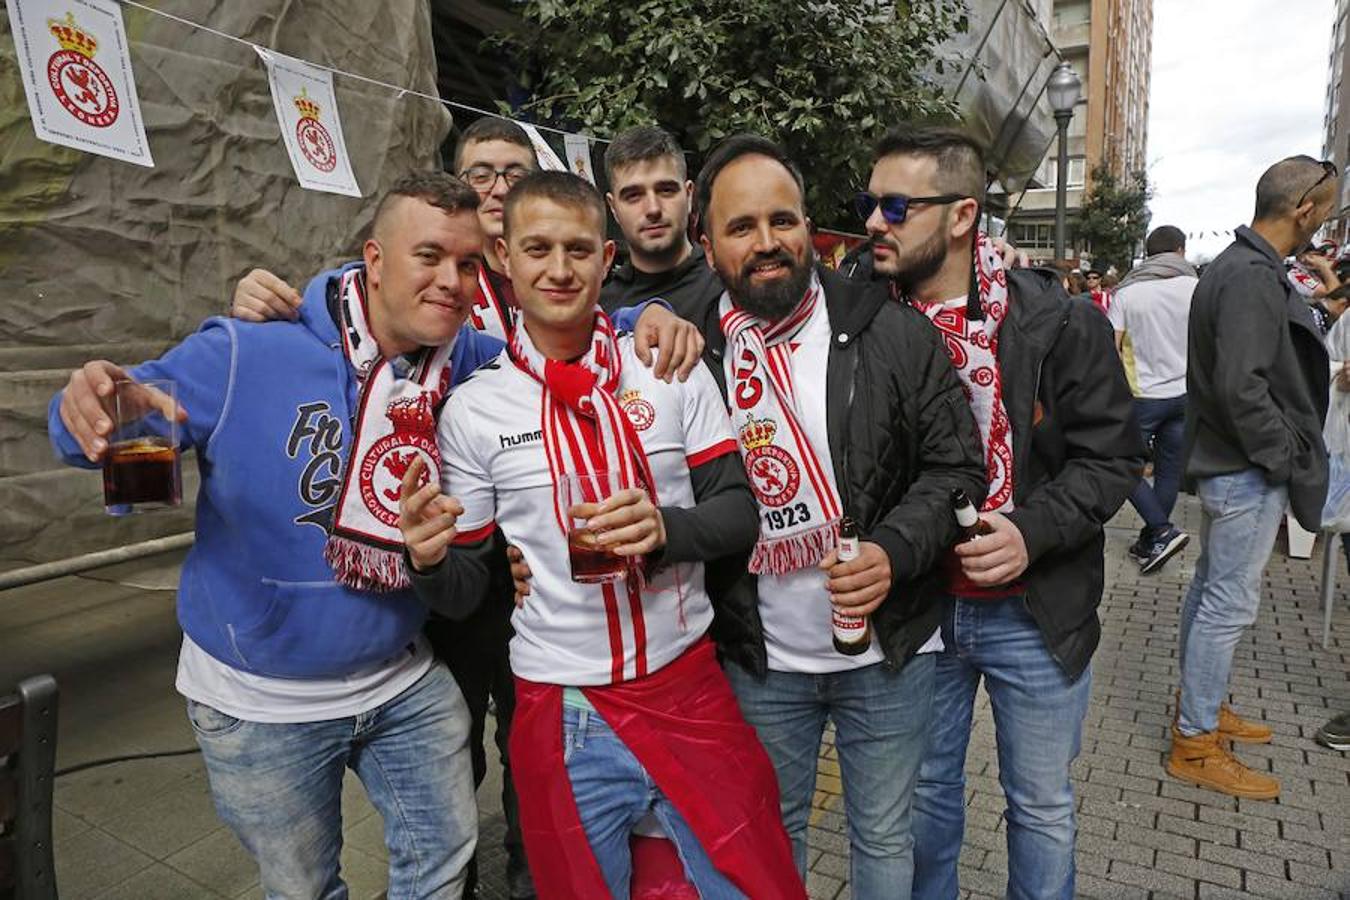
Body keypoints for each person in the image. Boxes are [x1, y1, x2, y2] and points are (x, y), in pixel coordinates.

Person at [227, 117, 703, 900]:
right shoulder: (409, 286)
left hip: (530, 594)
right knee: (453, 778)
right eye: (481, 172)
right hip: (442, 593)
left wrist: (639, 315)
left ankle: (530, 881)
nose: (498, 186)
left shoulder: (526, 291)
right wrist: (258, 295)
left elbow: (581, 335)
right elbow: (336, 308)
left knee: (532, 771)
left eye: (514, 173)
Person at [49, 173, 499, 898]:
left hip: (403, 677)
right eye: (429, 256)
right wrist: (81, 409)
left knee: (444, 858)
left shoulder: (468, 359)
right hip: (261, 702)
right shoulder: (243, 349)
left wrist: (650, 321)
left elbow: (560, 342)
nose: (452, 280)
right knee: (303, 889)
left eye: (469, 264)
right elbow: (105, 420)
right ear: (374, 260)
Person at [403, 170, 804, 899]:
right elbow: (467, 588)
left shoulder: (669, 364)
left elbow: (742, 512)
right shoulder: (473, 410)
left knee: (756, 884)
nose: (559, 269)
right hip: (563, 711)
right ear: (504, 259)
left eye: (579, 250)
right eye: (539, 249)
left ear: (607, 259)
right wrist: (428, 561)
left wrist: (664, 531)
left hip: (689, 688)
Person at [689, 135, 987, 898]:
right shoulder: (686, 350)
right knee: (774, 835)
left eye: (782, 220)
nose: (767, 244)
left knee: (885, 837)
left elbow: (956, 468)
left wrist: (892, 549)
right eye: (741, 227)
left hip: (886, 653)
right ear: (708, 243)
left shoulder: (888, 327)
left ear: (809, 226)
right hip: (762, 660)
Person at [853, 125, 1143, 900]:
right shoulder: (859, 318)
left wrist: (1029, 530)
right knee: (926, 799)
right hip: (920, 607)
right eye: (870, 202)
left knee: (1041, 806)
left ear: (960, 215)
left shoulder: (1054, 319)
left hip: (1034, 608)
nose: (874, 221)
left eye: (895, 205)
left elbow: (1112, 456)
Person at [1171, 155, 1338, 799]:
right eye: (1325, 209)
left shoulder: (1241, 266)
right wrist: (1283, 456)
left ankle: (1201, 709)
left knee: (1213, 594)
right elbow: (1244, 388)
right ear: (1305, 209)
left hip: (1236, 464)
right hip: (1245, 468)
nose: (1325, 221)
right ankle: (1194, 736)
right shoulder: (1247, 274)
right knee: (1226, 604)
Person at [1108, 225, 1198, 573]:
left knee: (1120, 462)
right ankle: (1153, 541)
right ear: (1180, 249)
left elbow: (1111, 346)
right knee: (1169, 469)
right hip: (1187, 394)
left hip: (1143, 395)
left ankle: (1160, 531)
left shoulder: (1128, 293)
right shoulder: (1197, 288)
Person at [598, 125, 723, 317]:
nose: (653, 209)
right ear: (613, 207)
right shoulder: (600, 313)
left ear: (689, 195)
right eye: (633, 195)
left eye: (666, 190)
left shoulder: (729, 289)